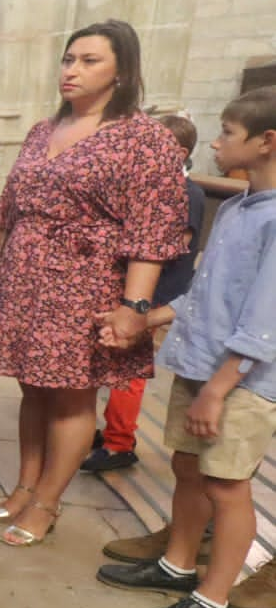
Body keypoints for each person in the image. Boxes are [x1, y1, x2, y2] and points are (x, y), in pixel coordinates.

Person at [0, 19, 188, 546]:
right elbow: (11, 206)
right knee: (32, 389)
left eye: (89, 61)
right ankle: (25, 486)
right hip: (25, 277)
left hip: (84, 283)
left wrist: (134, 306)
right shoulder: (44, 129)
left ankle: (47, 502)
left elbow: (150, 229)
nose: (72, 70)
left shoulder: (144, 138)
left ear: (123, 71)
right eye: (69, 59)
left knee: (69, 397)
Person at [95, 86, 276, 608]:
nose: (216, 144)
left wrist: (222, 387)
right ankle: (177, 563)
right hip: (204, 365)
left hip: (240, 380)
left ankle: (215, 598)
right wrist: (142, 317)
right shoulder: (241, 207)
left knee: (227, 483)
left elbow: (266, 316)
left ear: (267, 142)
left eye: (226, 133)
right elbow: (206, 291)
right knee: (188, 466)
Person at [83, 113, 209, 474]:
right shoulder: (149, 187)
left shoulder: (189, 193)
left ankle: (120, 442)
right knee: (109, 363)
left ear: (179, 152)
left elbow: (173, 246)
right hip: (132, 291)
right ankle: (109, 429)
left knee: (129, 370)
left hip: (155, 295)